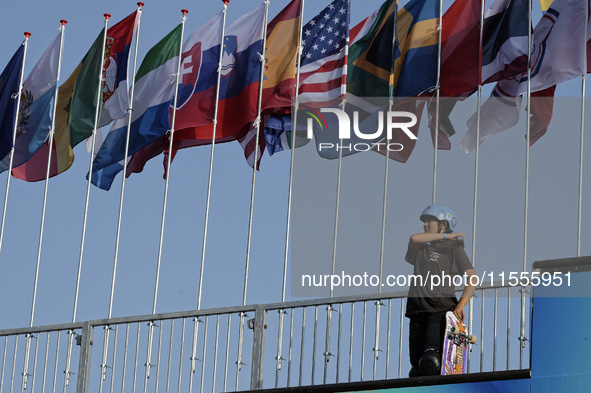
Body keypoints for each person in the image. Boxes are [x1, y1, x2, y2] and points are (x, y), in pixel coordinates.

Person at [405, 204, 477, 377]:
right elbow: (414, 238)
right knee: (416, 368)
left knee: (431, 359)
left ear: (444, 224)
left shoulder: (454, 249)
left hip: (439, 308)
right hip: (416, 309)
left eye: (431, 220)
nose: (426, 224)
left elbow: (473, 278)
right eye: (425, 221)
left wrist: (461, 305)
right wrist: (446, 235)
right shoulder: (421, 248)